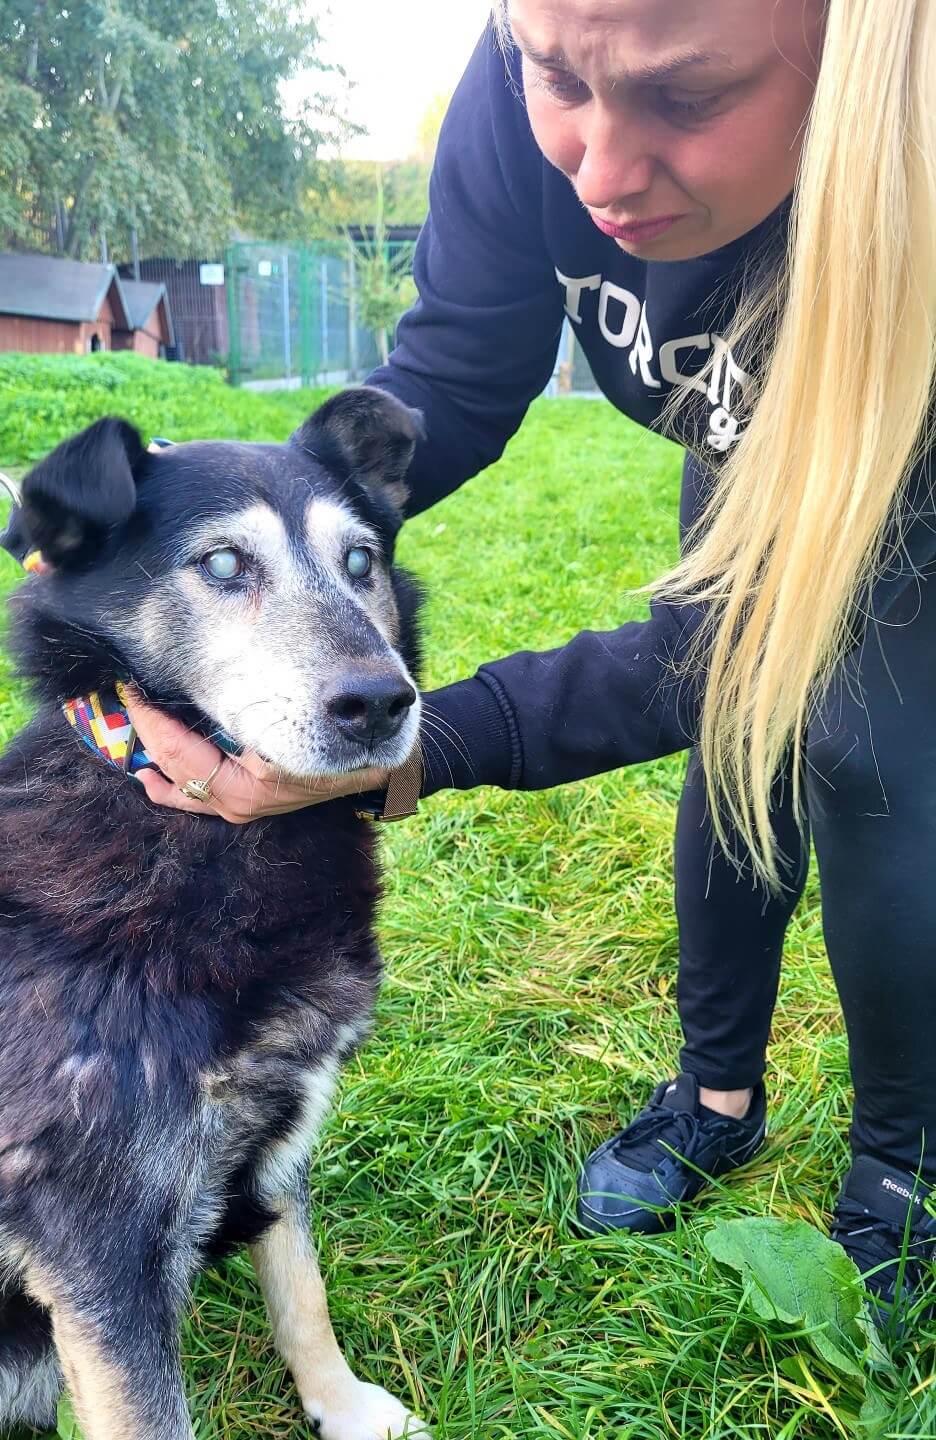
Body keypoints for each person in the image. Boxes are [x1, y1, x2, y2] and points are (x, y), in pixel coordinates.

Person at [126, 0, 936, 1320]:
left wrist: (406, 751)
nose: (598, 170)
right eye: (558, 77)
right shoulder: (541, 73)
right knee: (741, 761)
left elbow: (697, 660)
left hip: (902, 442)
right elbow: (458, 360)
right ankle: (716, 1096)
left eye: (685, 100)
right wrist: (210, 528)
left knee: (862, 758)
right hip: (751, 435)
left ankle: (905, 1171)